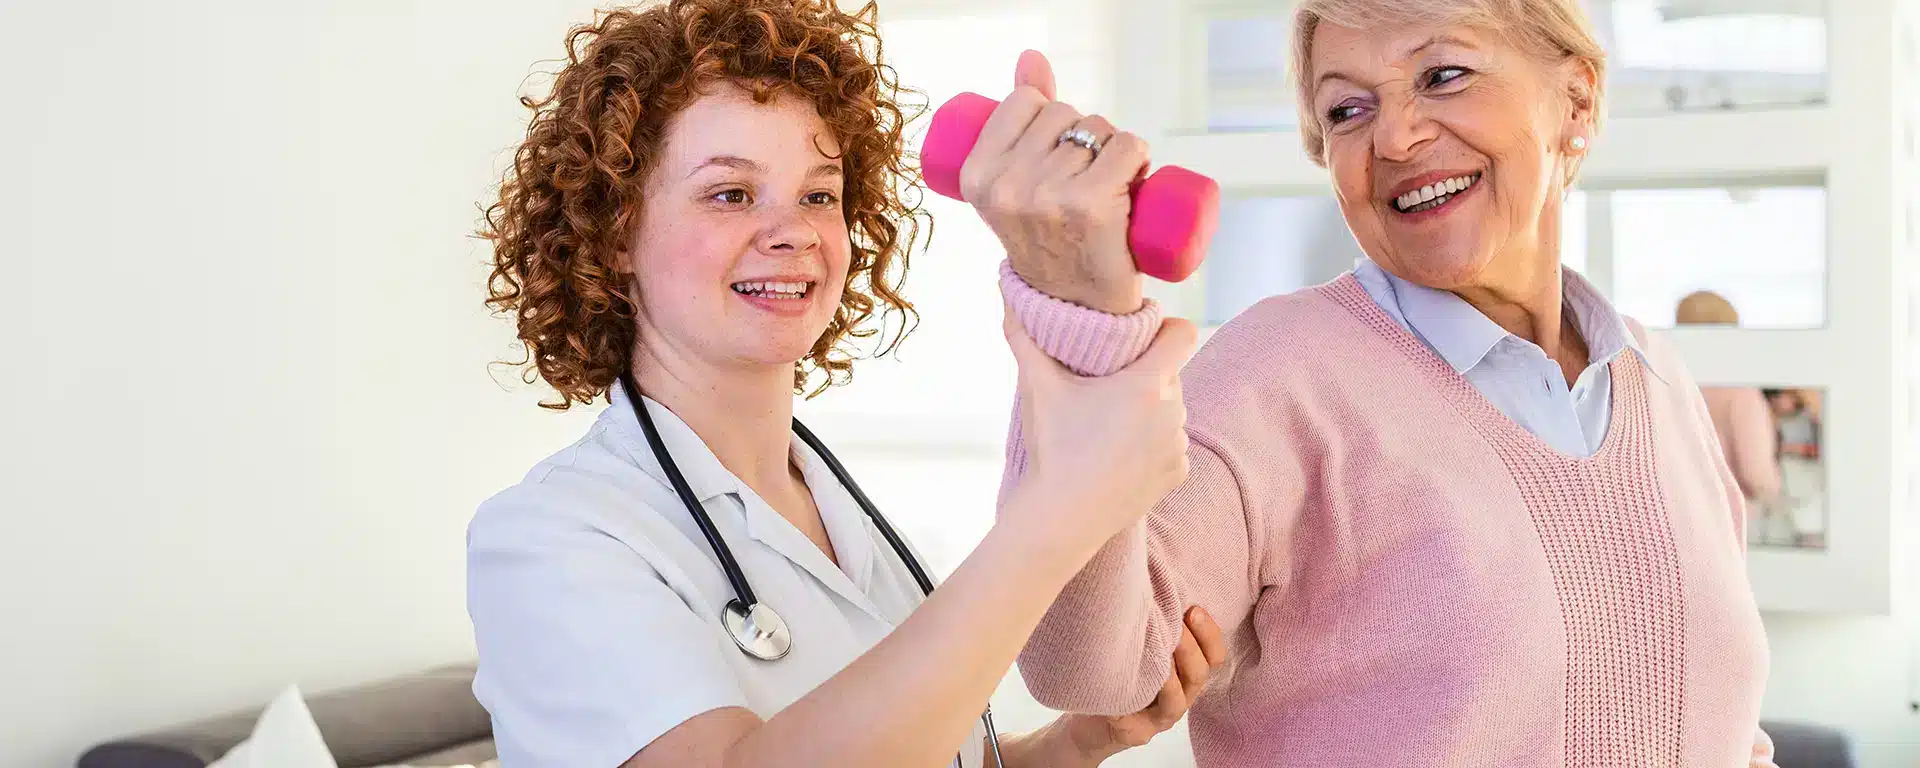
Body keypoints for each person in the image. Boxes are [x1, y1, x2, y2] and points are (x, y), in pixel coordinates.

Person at [974, 1, 1775, 765]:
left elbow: (1726, 731)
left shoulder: (1657, 378)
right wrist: (1072, 313)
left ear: (1577, 98)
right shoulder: (1277, 374)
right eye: (1347, 112)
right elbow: (1091, 669)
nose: (1395, 136)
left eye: (1443, 76)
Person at [464, 2, 1221, 767]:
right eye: (731, 193)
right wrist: (1057, 516)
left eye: (819, 195)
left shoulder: (846, 515)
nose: (792, 230)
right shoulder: (550, 538)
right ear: (616, 231)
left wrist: (1076, 742)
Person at [1674, 291, 1782, 537]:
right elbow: (1758, 477)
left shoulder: (1670, 385)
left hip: (1681, 523)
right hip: (1733, 533)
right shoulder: (1740, 395)